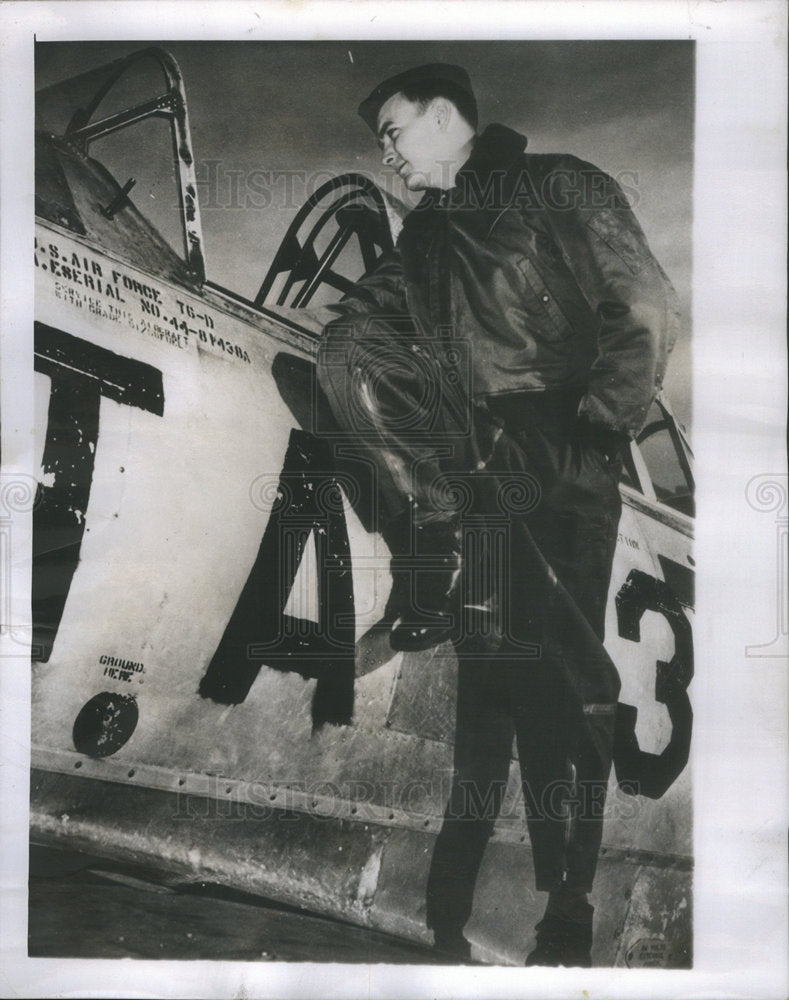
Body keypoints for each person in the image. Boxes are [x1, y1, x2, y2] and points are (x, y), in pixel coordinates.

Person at [316, 63, 679, 966]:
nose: (387, 155)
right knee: (485, 692)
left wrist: (592, 433)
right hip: (475, 472)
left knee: (564, 683)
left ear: (445, 118)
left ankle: (567, 906)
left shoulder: (555, 182)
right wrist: (428, 480)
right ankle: (448, 916)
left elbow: (642, 304)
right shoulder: (425, 239)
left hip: (558, 445)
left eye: (394, 132)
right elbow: (357, 345)